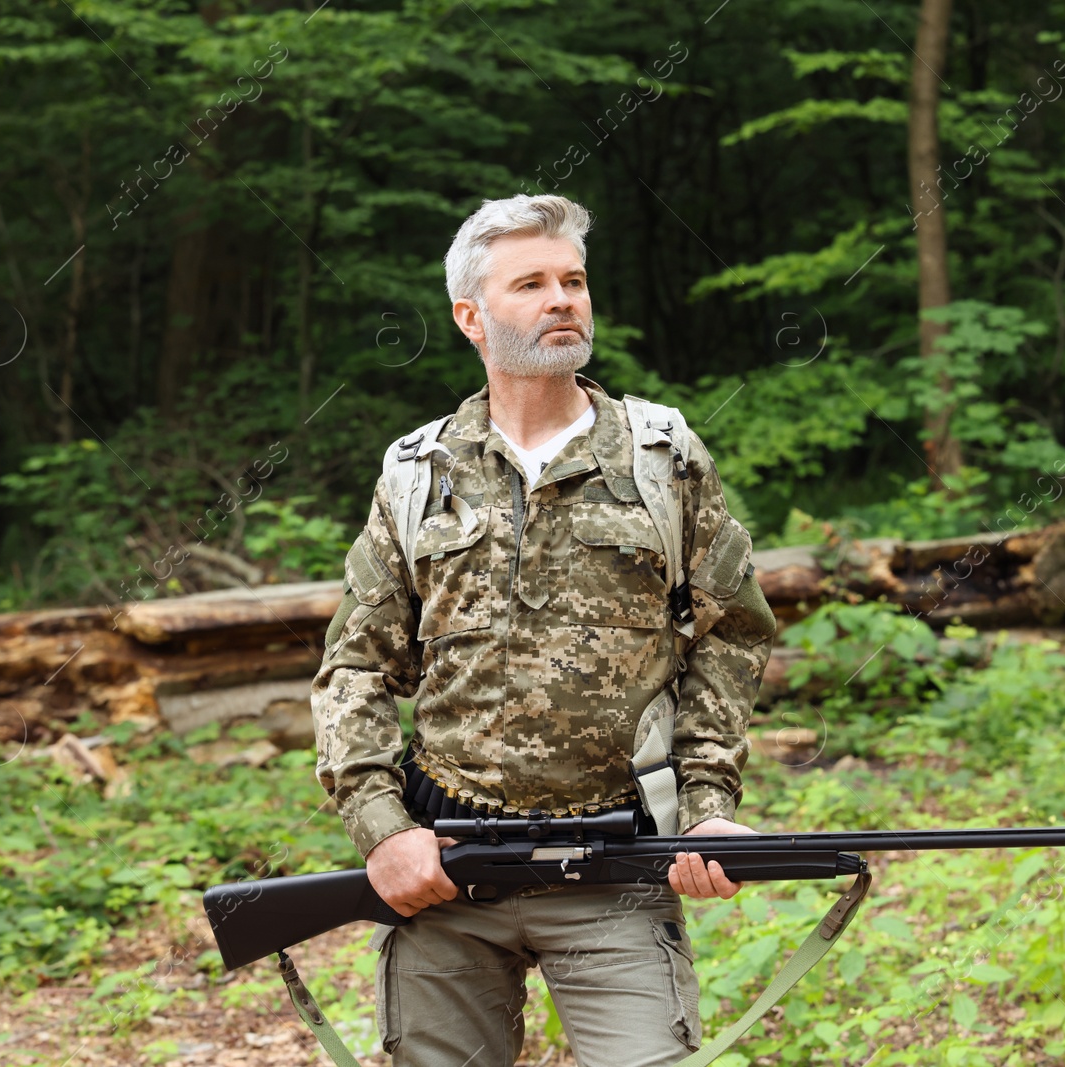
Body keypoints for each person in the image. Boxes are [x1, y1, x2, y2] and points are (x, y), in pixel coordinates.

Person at [309, 193, 778, 1066]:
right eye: (531, 283)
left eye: (574, 280)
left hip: (619, 862)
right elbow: (354, 669)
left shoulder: (660, 458)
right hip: (447, 867)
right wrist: (383, 828)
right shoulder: (419, 475)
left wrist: (706, 811)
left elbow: (732, 631)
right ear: (471, 317)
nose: (563, 298)